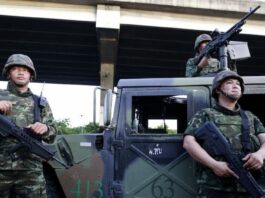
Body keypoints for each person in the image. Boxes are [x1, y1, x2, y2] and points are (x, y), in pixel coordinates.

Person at [183, 70, 265, 197]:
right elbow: (188, 143)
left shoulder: (250, 117)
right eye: (229, 82)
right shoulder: (205, 114)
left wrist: (260, 154)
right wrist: (214, 165)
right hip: (214, 187)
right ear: (217, 90)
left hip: (247, 188)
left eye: (238, 83)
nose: (235, 85)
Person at [0, 54, 57, 198]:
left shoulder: (40, 102)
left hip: (31, 170)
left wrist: (45, 128)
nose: (21, 72)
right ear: (8, 73)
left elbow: (53, 132)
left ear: (31, 75)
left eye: (25, 70)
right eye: (16, 69)